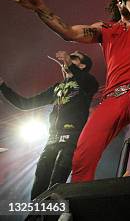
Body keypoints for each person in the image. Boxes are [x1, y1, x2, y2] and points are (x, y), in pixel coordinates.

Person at [6, 0, 130, 181]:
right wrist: (40, 9)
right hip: (113, 97)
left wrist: (129, 4)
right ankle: (76, 204)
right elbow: (69, 32)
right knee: (82, 155)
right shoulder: (105, 29)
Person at [0, 51, 98, 198]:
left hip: (71, 138)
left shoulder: (88, 82)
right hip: (51, 139)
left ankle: (52, 215)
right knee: (40, 180)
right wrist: (3, 87)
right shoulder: (56, 88)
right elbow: (25, 104)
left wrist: (69, 65)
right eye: (69, 57)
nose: (69, 59)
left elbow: (86, 81)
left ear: (82, 66)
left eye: (74, 58)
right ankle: (35, 214)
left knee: (56, 183)